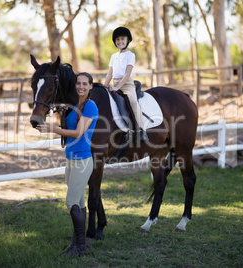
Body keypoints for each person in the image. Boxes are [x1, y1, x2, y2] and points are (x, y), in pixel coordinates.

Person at [36, 72, 98, 257]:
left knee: (71, 202)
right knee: (78, 202)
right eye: (78, 83)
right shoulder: (75, 105)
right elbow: (69, 128)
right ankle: (77, 243)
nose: (80, 86)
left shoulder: (90, 106)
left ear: (90, 86)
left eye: (84, 84)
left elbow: (78, 132)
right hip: (71, 158)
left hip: (82, 161)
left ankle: (81, 247)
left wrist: (52, 129)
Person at [104, 26, 148, 141]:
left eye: (123, 39)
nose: (120, 41)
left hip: (127, 84)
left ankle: (141, 130)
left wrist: (117, 87)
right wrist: (105, 86)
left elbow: (127, 74)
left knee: (133, 101)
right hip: (114, 83)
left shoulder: (130, 55)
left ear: (128, 40)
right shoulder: (114, 56)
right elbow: (109, 74)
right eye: (117, 39)